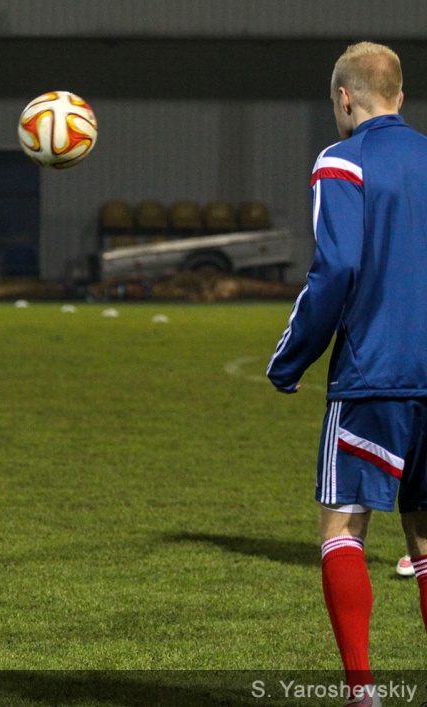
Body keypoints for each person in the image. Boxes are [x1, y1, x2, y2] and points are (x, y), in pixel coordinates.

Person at [268, 41, 427, 707]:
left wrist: (291, 358)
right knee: (424, 538)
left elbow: (335, 270)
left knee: (343, 528)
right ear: (400, 96)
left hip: (372, 375)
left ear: (343, 97)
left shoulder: (342, 161)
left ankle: (363, 693)